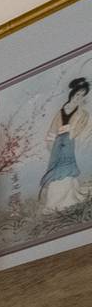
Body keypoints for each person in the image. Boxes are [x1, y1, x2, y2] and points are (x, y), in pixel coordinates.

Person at [42, 74, 90, 218]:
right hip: (57, 143)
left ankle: (68, 200)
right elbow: (52, 129)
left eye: (82, 95)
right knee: (54, 169)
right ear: (72, 94)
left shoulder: (83, 113)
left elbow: (78, 129)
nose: (79, 97)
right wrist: (50, 143)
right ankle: (53, 203)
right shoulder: (60, 111)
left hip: (68, 142)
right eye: (77, 94)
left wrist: (69, 130)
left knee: (66, 169)